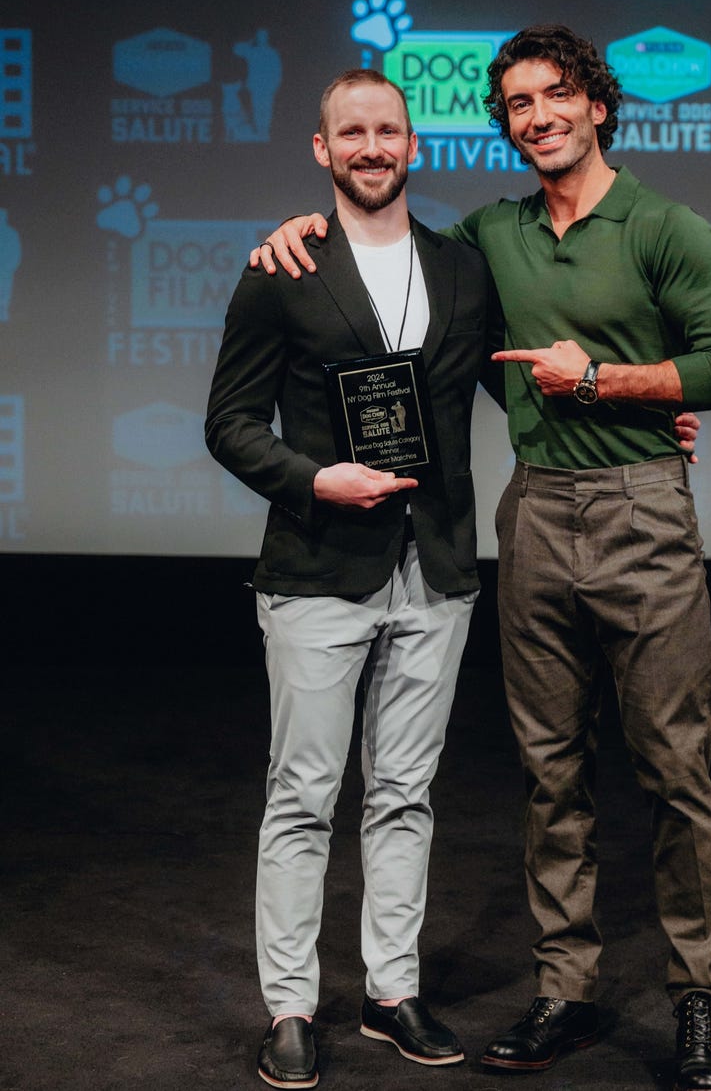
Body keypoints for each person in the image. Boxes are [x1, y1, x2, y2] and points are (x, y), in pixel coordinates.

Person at [250, 24, 711, 1091]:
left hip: (642, 515)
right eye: (518, 105)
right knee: (549, 770)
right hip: (532, 514)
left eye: (555, 97)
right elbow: (395, 264)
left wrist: (614, 385)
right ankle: (564, 990)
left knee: (673, 768)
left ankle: (699, 998)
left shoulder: (665, 226)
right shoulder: (491, 237)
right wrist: (298, 232)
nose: (537, 118)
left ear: (598, 106)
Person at [206, 68, 504, 1087]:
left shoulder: (464, 270)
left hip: (438, 568)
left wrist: (652, 410)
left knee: (406, 794)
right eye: (352, 133)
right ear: (321, 150)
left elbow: (517, 389)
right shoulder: (281, 268)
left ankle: (390, 989)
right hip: (317, 569)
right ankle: (289, 1006)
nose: (372, 146)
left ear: (413, 146)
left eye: (389, 130)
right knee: (302, 796)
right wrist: (312, 477)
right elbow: (229, 424)